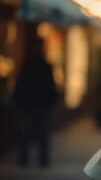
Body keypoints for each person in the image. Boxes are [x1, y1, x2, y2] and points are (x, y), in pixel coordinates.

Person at [14, 36, 57, 167]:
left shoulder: (36, 64)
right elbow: (21, 85)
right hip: (35, 104)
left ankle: (30, 159)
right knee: (35, 133)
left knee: (33, 133)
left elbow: (21, 85)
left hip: (35, 104)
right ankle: (36, 159)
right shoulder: (38, 64)